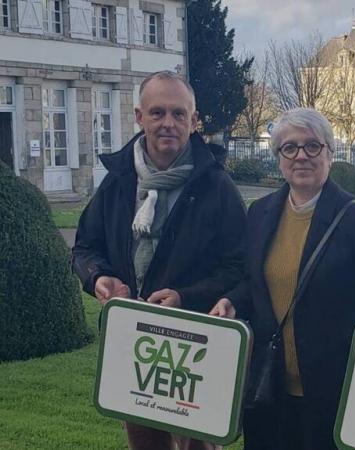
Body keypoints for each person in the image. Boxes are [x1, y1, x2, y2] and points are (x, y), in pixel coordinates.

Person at [72, 71, 247, 450]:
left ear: (194, 121)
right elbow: (85, 247)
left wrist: (185, 296)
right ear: (139, 117)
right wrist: (98, 278)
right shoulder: (118, 182)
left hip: (194, 348)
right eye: (157, 113)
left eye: (178, 114)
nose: (168, 123)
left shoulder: (217, 187)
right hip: (133, 345)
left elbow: (239, 269)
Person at [209, 107, 355, 450]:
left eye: (312, 146)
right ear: (278, 158)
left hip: (331, 388)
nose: (301, 155)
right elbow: (255, 280)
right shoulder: (260, 212)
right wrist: (232, 299)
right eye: (289, 148)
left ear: (330, 154)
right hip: (269, 383)